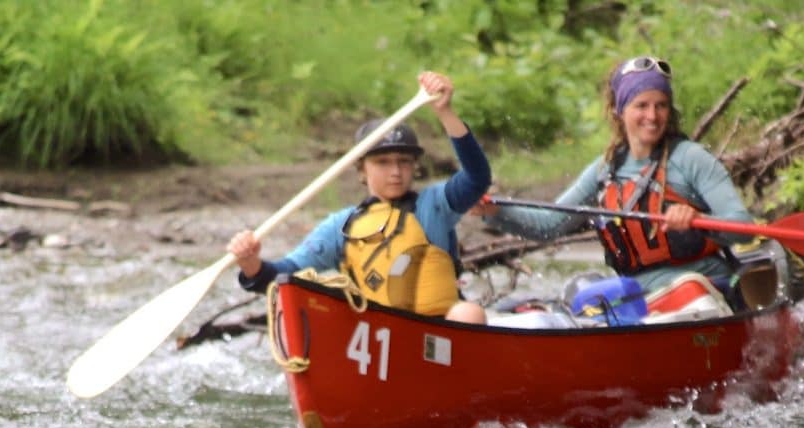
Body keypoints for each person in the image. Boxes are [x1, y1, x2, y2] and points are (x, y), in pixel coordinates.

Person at [484, 55, 763, 305]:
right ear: (620, 111)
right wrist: (495, 211)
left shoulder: (691, 159)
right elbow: (549, 225)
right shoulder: (605, 170)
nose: (652, 116)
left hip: (700, 288)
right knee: (561, 302)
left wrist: (700, 219)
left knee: (686, 289)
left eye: (661, 106)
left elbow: (743, 228)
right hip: (640, 294)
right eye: (641, 106)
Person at [228, 71, 492, 320]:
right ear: (361, 169)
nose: (396, 172)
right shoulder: (341, 227)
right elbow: (283, 275)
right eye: (383, 162)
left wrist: (445, 113)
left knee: (469, 313)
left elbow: (477, 177)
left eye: (404, 161)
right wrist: (251, 263)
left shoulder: (434, 205)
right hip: (377, 334)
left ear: (415, 166)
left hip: (440, 335)